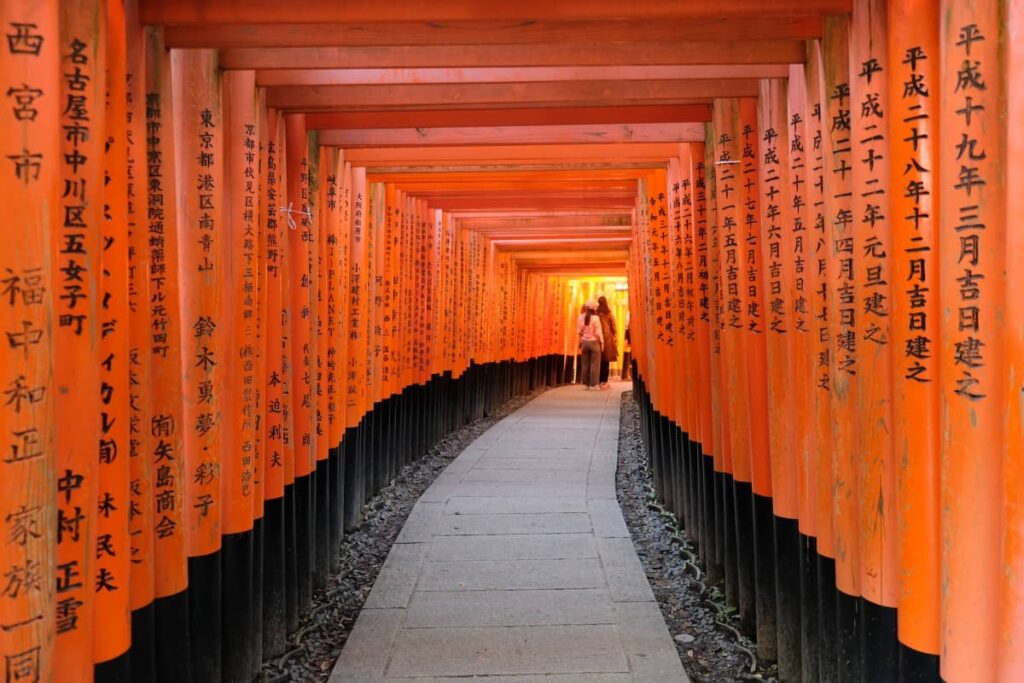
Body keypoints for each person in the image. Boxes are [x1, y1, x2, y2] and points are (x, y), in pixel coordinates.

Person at [577, 299, 603, 389]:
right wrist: (602, 343)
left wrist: (580, 341)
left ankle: (585, 384)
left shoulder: (581, 317)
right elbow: (598, 333)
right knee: (594, 364)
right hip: (594, 342)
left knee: (585, 364)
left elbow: (579, 331)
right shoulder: (596, 318)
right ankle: (594, 384)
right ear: (594, 309)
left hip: (584, 342)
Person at [596, 295, 618, 389]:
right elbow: (614, 328)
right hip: (608, 340)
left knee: (598, 361)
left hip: (597, 340)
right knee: (606, 361)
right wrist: (615, 338)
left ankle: (598, 380)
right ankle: (604, 381)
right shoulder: (610, 314)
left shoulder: (595, 314)